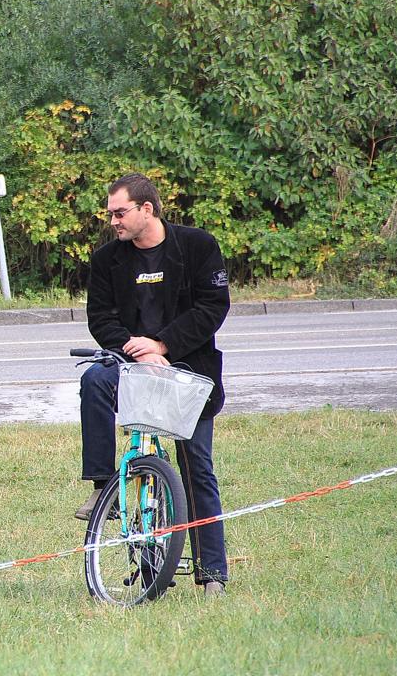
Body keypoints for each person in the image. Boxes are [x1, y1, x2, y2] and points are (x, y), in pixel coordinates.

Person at [76, 173, 231, 596]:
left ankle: (212, 573)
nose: (113, 221)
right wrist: (138, 351)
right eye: (110, 214)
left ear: (147, 209)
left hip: (187, 369)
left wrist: (163, 344)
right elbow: (100, 318)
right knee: (94, 379)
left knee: (197, 467)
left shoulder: (198, 246)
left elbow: (212, 307)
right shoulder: (106, 260)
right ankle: (101, 486)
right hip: (131, 364)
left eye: (120, 213)